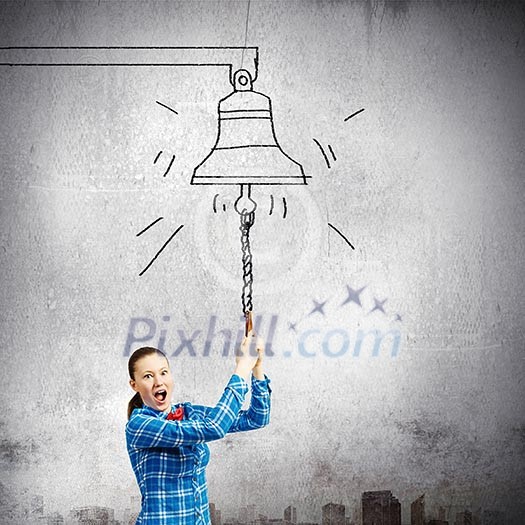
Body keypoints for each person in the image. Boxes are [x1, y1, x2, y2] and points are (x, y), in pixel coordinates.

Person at [125, 329, 271, 525]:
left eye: (163, 372)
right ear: (134, 385)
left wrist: (256, 368)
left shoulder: (189, 413)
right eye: (148, 376)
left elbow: (257, 418)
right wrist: (242, 368)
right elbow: (216, 427)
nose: (158, 381)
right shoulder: (138, 425)